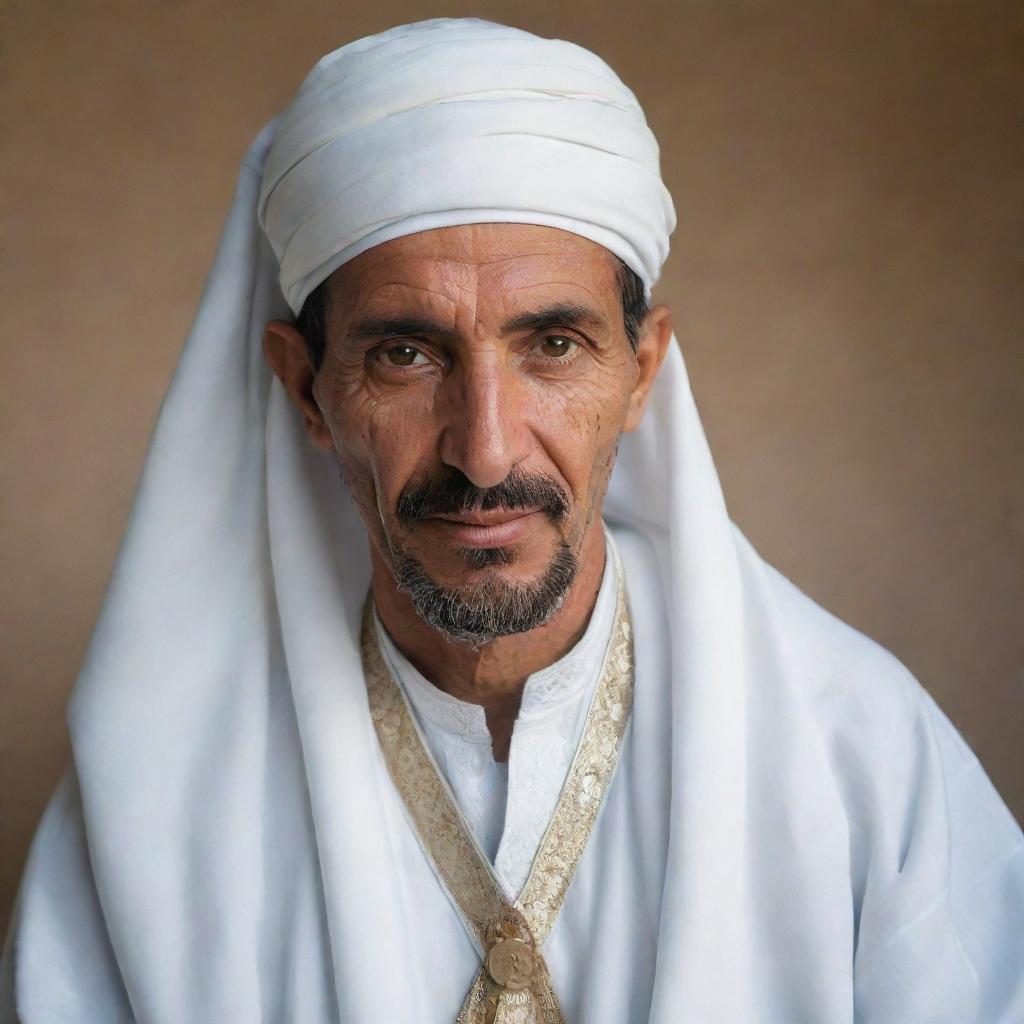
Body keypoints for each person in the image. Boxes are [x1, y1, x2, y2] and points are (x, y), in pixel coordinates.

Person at [2, 17, 1021, 1024]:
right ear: (305, 390)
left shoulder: (857, 756)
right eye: (406, 354)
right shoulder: (157, 804)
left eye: (554, 346)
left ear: (641, 373)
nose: (484, 450)